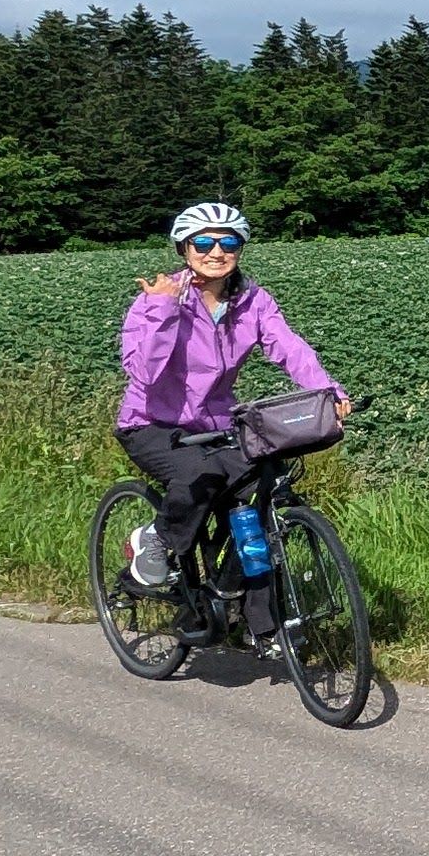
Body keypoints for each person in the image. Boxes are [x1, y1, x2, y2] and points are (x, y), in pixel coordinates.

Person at [117, 200, 345, 626]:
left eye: (229, 242)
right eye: (203, 242)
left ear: (241, 248)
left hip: (217, 422)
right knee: (197, 478)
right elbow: (143, 372)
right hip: (151, 423)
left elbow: (290, 349)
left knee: (262, 484)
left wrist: (328, 391)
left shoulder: (253, 301)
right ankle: (155, 538)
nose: (216, 251)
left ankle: (250, 613)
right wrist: (163, 310)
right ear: (184, 248)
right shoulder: (158, 300)